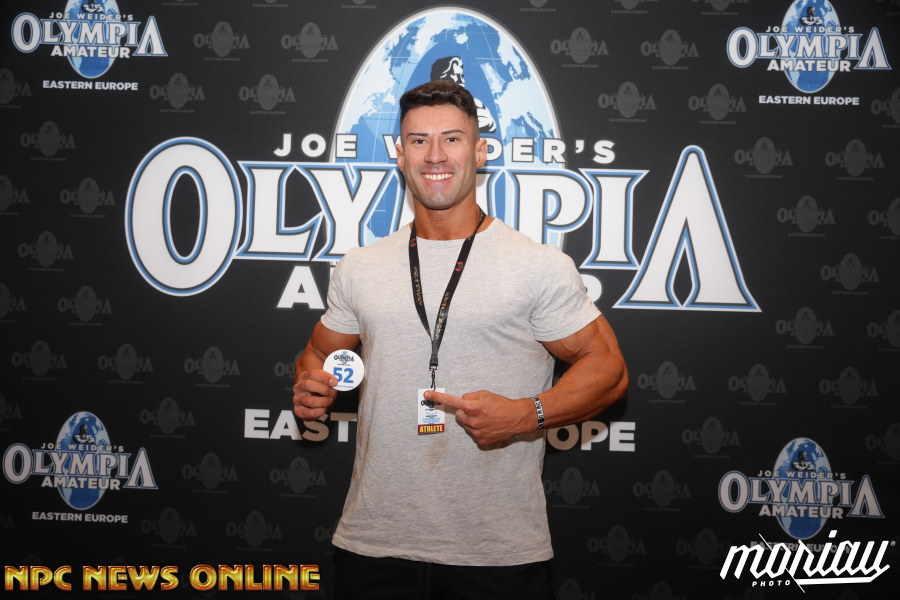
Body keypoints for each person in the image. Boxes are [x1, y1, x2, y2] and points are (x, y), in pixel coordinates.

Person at [292, 79, 627, 600]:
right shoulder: (360, 267)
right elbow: (318, 353)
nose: (435, 155)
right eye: (418, 140)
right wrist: (310, 386)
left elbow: (608, 370)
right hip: (374, 546)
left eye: (452, 138)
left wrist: (527, 414)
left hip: (496, 555)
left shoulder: (536, 265)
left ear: (480, 151)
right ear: (400, 155)